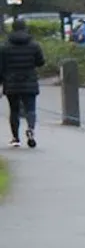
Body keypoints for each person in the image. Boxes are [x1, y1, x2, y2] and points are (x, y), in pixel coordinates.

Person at [2, 17, 47, 149]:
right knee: (30, 108)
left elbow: (1, 67)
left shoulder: (5, 47)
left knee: (14, 110)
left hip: (11, 82)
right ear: (25, 28)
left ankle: (16, 138)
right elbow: (41, 62)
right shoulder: (34, 45)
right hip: (29, 81)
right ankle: (31, 129)